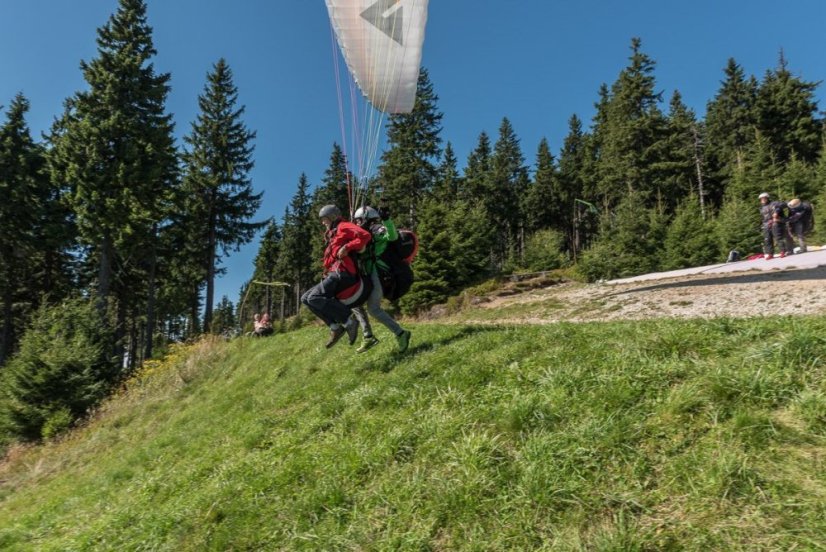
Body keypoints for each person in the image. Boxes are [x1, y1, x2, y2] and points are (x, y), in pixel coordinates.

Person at [301, 204, 372, 348]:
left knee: (314, 297)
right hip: (335, 273)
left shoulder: (344, 226)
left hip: (345, 272)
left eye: (324, 219)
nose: (323, 223)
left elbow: (365, 236)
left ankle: (349, 322)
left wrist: (347, 247)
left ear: (332, 217)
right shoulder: (332, 234)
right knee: (305, 299)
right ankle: (335, 328)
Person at [350, 204, 412, 354]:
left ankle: (401, 333)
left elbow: (392, 236)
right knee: (353, 301)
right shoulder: (361, 231)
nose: (357, 223)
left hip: (378, 273)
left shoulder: (377, 228)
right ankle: (368, 336)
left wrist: (386, 220)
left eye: (358, 220)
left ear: (365, 219)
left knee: (373, 309)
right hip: (367, 273)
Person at [758, 192, 792, 259]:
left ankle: (783, 251)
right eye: (761, 199)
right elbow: (763, 217)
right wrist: (762, 225)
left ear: (767, 198)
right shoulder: (761, 208)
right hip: (766, 224)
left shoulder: (774, 203)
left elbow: (784, 204)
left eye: (764, 198)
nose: (763, 200)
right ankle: (770, 254)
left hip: (775, 222)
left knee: (778, 237)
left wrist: (777, 211)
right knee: (767, 239)